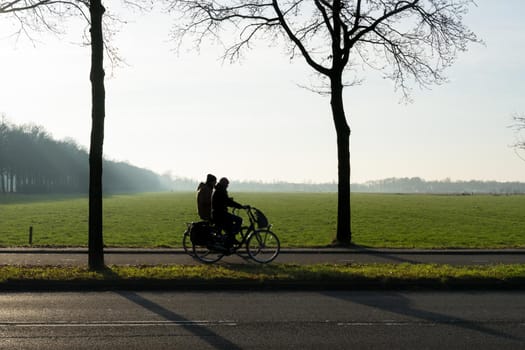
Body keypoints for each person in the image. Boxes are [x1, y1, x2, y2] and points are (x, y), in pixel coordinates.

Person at [211, 177, 247, 247]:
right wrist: (241, 206)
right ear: (224, 184)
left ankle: (230, 239)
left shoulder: (218, 189)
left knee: (230, 226)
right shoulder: (221, 190)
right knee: (239, 219)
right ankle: (231, 238)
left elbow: (224, 201)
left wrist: (230, 202)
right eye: (227, 185)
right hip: (220, 214)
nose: (227, 186)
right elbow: (228, 202)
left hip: (218, 213)